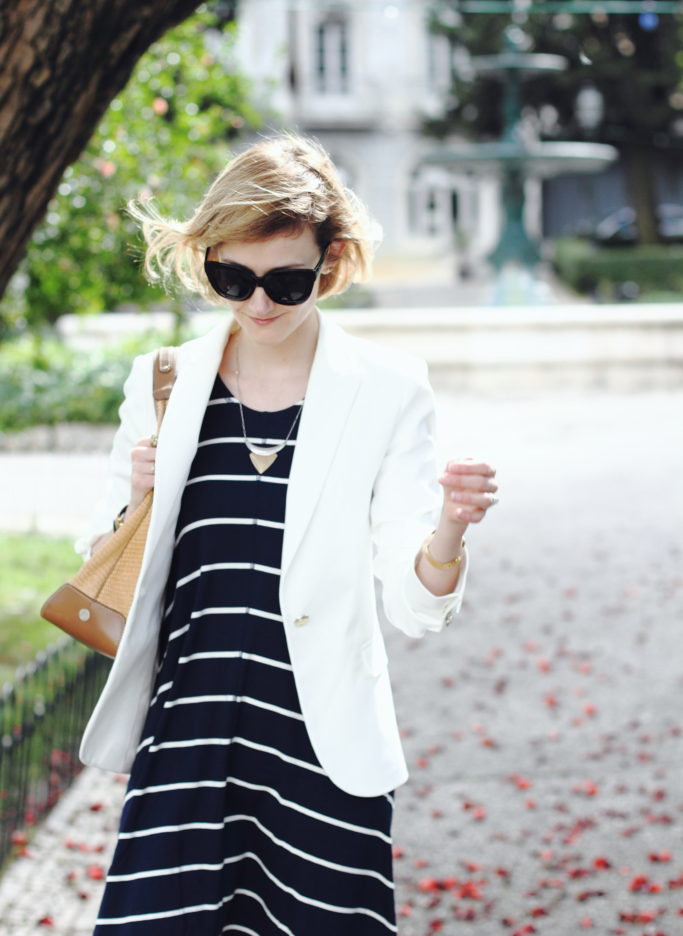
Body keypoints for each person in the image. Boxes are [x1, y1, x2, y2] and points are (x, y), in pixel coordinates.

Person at [80, 133, 498, 935]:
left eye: (286, 280)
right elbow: (108, 576)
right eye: (231, 278)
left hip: (320, 740)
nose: (259, 304)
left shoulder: (386, 390)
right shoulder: (163, 381)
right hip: (186, 728)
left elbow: (414, 605)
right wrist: (136, 500)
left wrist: (449, 527)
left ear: (329, 262)